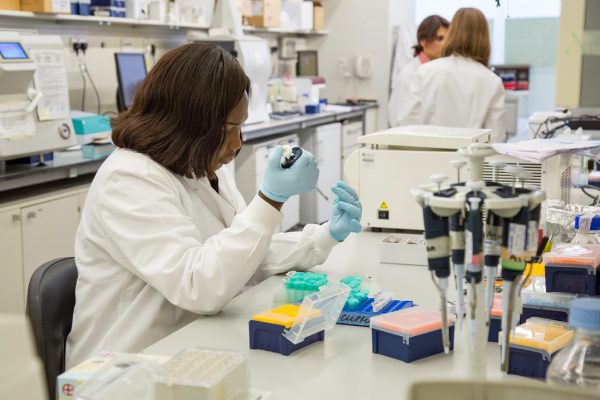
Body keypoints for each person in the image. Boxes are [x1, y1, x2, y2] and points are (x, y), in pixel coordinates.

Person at [66, 43, 362, 367]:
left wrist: (323, 236)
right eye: (227, 129)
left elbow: (241, 255)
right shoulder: (127, 179)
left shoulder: (202, 166)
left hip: (191, 349)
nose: (237, 144)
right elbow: (199, 285)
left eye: (241, 127)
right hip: (125, 371)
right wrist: (269, 200)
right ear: (185, 120)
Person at [397, 8, 507, 143]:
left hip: (426, 158)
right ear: (484, 38)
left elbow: (406, 122)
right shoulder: (492, 82)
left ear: (452, 33)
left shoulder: (425, 71)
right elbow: (496, 137)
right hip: (469, 161)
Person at [388, 14, 450, 127]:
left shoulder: (442, 71)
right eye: (440, 38)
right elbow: (396, 119)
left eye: (448, 39)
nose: (446, 44)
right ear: (423, 41)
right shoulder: (408, 75)